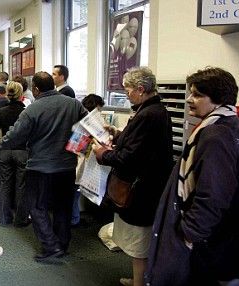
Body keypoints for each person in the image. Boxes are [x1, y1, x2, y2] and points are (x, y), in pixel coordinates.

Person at [145, 67, 239, 286]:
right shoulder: (230, 125)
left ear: (218, 99)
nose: (189, 99)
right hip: (225, 236)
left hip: (210, 241)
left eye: (198, 94)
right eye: (190, 92)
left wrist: (189, 232)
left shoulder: (216, 135)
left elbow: (213, 195)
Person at [0, 71, 87, 262]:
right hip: (67, 166)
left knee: (37, 207)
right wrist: (77, 147)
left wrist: (0, 143)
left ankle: (51, 247)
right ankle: (62, 245)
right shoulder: (74, 104)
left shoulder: (32, 109)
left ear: (35, 89)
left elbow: (16, 135)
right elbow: (88, 126)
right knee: (63, 207)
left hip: (40, 168)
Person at [92, 67, 173, 286]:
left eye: (127, 88)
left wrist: (103, 154)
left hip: (141, 188)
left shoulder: (148, 114)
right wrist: (118, 134)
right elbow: (141, 145)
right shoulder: (153, 110)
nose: (125, 93)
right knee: (138, 242)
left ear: (140, 89)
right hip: (146, 185)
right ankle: (139, 280)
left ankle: (140, 283)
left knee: (139, 243)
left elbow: (130, 157)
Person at [0, 81, 29, 227]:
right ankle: (20, 219)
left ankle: (4, 219)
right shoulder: (26, 112)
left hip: (5, 151)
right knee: (21, 186)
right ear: (21, 95)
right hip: (22, 152)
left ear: (8, 94)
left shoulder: (1, 111)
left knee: (5, 184)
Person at [71, 94, 105, 228]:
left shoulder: (77, 118)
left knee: (74, 192)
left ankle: (74, 217)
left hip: (75, 160)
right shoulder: (88, 123)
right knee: (74, 193)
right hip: (80, 160)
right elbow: (79, 146)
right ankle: (74, 219)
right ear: (96, 107)